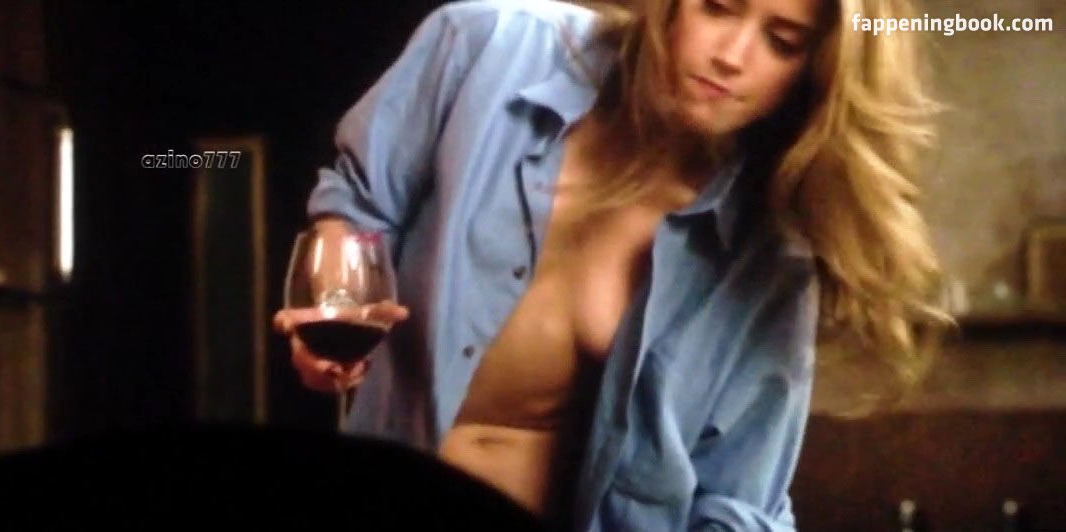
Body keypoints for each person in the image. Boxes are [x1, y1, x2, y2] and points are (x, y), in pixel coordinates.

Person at [273, 0, 953, 530]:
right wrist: (335, 305)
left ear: (815, 72)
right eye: (718, 7)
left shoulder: (770, 255)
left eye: (782, 41)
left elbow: (740, 499)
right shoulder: (484, 45)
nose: (730, 56)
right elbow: (359, 202)